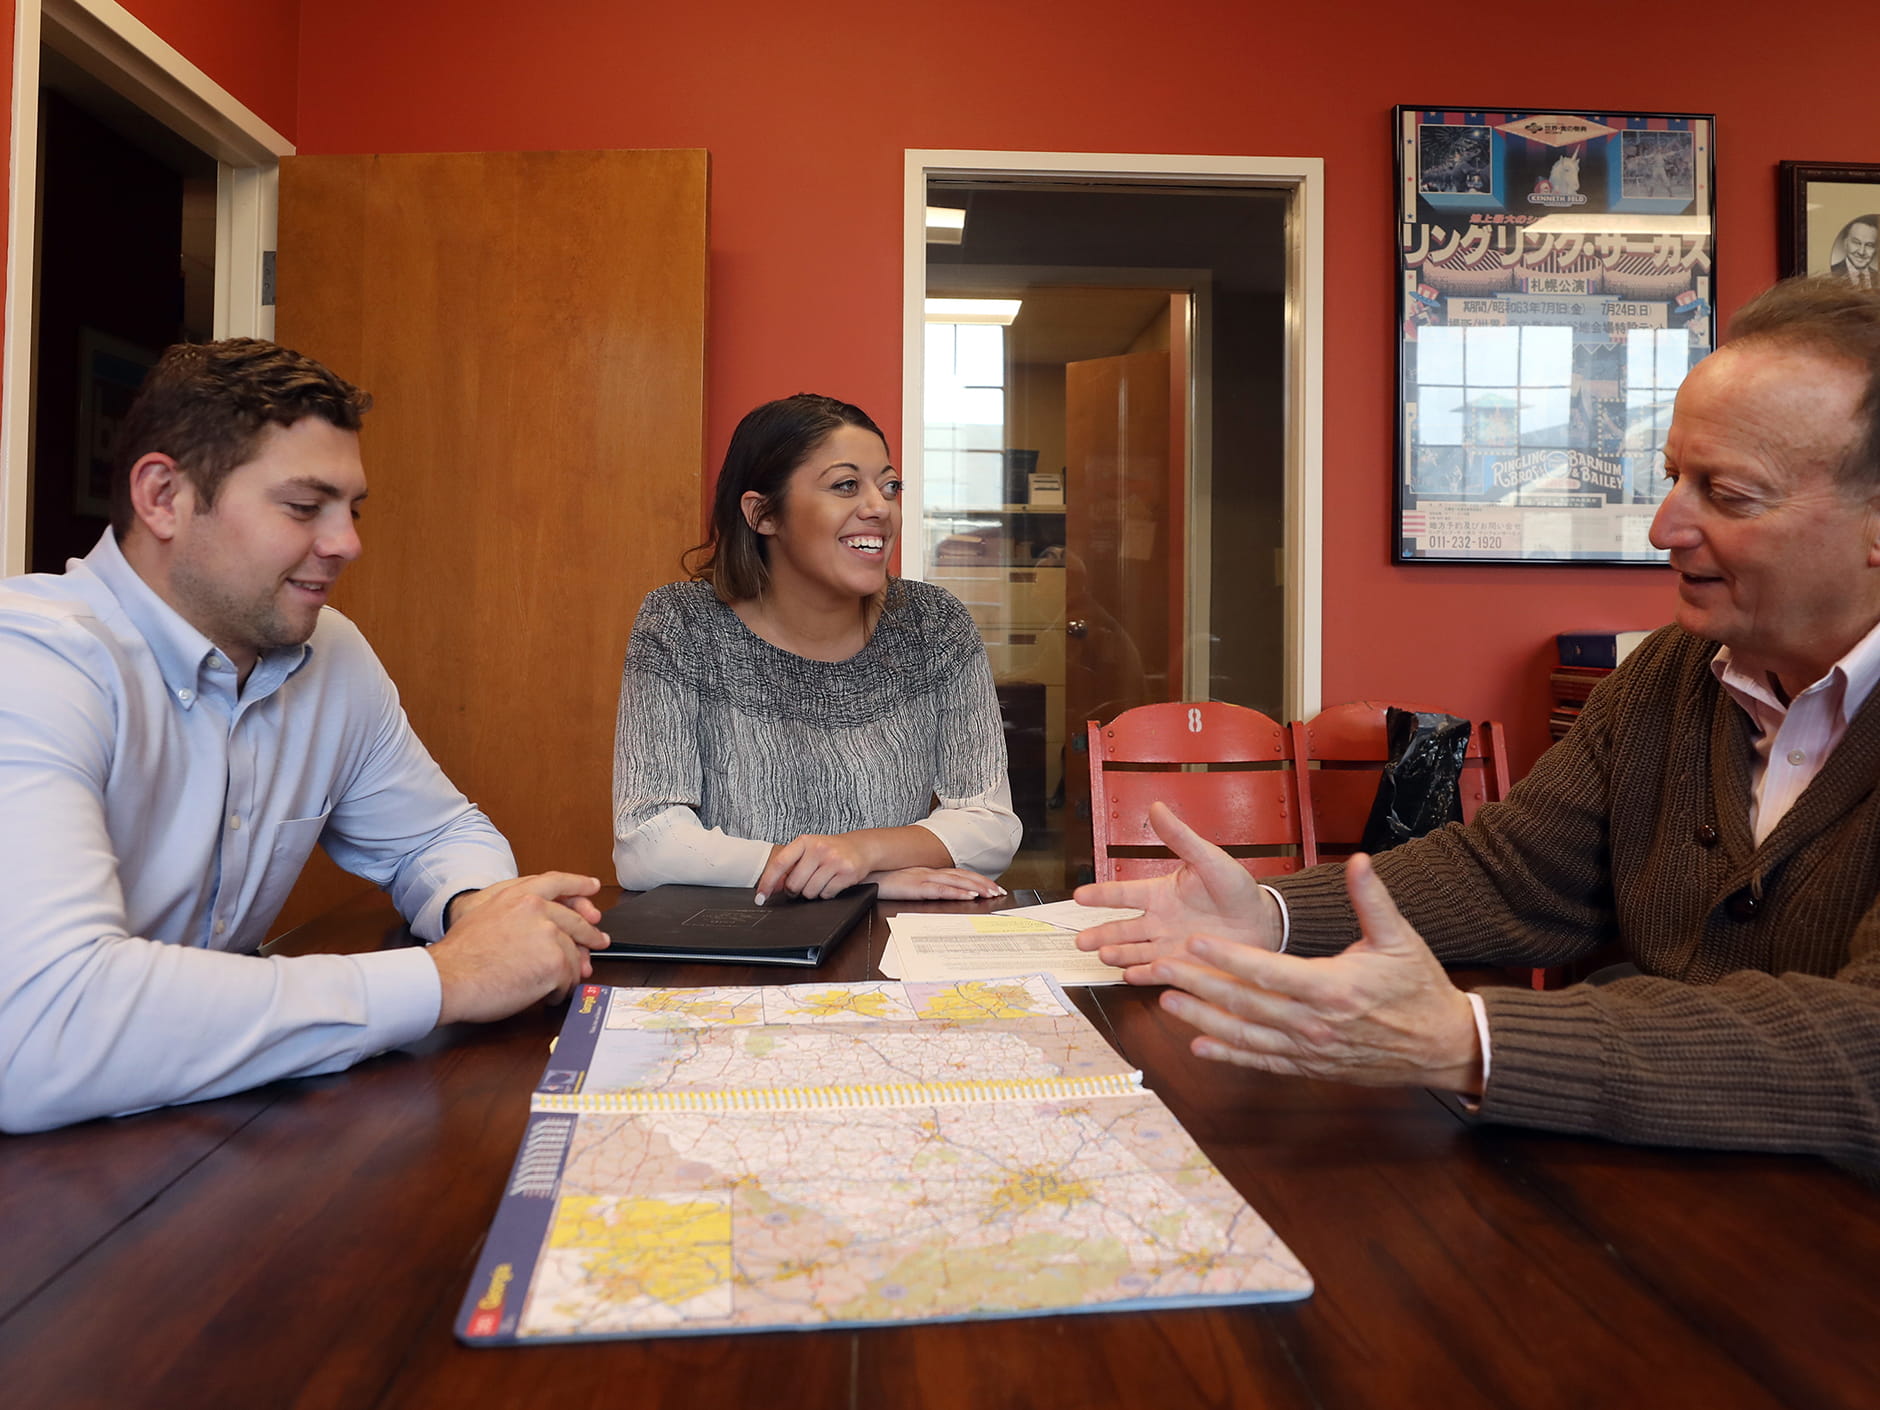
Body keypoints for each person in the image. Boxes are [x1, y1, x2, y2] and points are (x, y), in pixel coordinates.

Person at [1077, 277, 1880, 1164]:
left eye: (1727, 494)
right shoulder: (1672, 671)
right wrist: (1269, 917)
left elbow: (1865, 1051)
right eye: (1670, 478)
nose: (1663, 528)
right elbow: (1519, 875)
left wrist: (1472, 1040)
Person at [0, 339, 610, 1134]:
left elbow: (435, 832)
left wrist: (477, 906)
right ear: (163, 497)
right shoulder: (30, 664)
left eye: (351, 508)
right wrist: (443, 979)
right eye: (303, 507)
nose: (347, 543)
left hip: (200, 1127)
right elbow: (42, 1031)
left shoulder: (331, 653)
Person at [612, 393, 1019, 903]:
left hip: (896, 944)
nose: (880, 507)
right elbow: (646, 844)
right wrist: (852, 879)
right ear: (763, 514)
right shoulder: (680, 624)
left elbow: (990, 825)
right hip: (739, 945)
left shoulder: (934, 625)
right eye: (846, 485)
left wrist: (862, 853)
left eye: (889, 486)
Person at [1829, 216, 1879, 289]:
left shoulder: (1878, 276)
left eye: (1869, 245)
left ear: (1876, 249)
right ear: (1845, 243)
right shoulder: (1830, 274)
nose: (1861, 252)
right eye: (1856, 242)